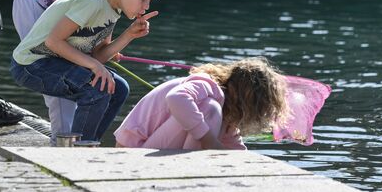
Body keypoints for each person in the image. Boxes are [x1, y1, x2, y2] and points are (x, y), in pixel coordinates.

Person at [12, 0, 169, 145]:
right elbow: (56, 42)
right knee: (82, 84)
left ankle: (87, 142)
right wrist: (93, 63)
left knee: (111, 85)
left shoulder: (113, 0)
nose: (146, 7)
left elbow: (97, 52)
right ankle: (70, 144)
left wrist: (124, 38)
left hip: (62, 31)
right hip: (34, 22)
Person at [114, 57, 289, 150]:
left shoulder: (225, 111)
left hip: (148, 148)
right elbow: (176, 98)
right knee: (209, 109)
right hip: (132, 151)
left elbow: (234, 148)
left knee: (215, 116)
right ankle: (192, 165)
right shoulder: (207, 84)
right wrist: (209, 141)